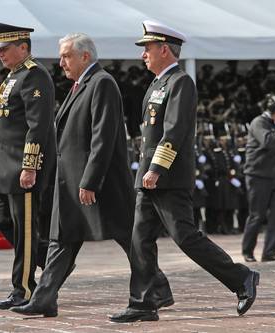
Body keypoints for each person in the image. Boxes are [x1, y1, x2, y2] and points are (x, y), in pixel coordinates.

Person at [10, 33, 173, 318]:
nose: (61, 62)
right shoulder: (79, 85)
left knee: (129, 238)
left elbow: (103, 137)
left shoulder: (102, 83)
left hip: (100, 184)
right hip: (71, 181)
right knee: (62, 240)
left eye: (66, 56)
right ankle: (44, 298)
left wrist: (90, 180)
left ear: (85, 56)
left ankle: (156, 288)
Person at [110, 21, 259, 323]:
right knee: (140, 240)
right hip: (149, 179)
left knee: (185, 236)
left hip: (168, 177)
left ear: (164, 49)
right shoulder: (156, 84)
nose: (143, 55)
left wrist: (155, 169)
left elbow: (174, 131)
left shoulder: (180, 82)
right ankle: (142, 303)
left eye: (148, 49)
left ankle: (242, 277)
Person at [0, 22, 56, 310]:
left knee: (24, 228)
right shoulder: (13, 76)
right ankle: (49, 258)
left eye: (6, 48)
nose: (1, 54)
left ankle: (24, 289)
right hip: (5, 163)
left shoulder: (34, 75)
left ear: (23, 47)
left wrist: (30, 166)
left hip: (21, 164)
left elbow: (38, 126)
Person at [241, 94, 275, 262]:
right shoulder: (259, 122)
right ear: (274, 111)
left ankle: (270, 251)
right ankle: (248, 251)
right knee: (257, 214)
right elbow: (267, 141)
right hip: (258, 175)